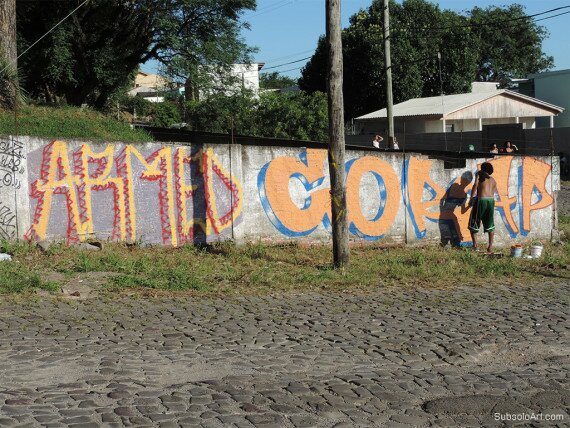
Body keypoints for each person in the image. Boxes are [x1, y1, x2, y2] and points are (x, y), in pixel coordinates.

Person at [468, 162, 497, 253]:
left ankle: (475, 246)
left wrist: (472, 198)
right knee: (490, 224)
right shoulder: (493, 180)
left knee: (474, 222)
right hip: (491, 201)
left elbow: (475, 185)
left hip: (482, 200)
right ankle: (490, 247)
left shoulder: (480, 177)